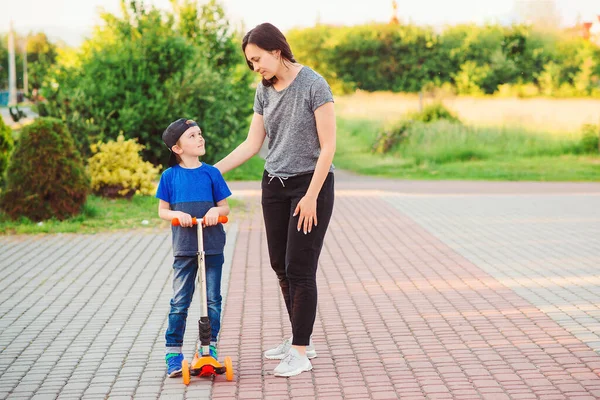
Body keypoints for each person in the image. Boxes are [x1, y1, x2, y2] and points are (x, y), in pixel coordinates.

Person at [215, 22, 336, 377]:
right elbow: (253, 144)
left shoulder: (314, 84)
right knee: (280, 266)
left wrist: (312, 196)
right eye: (250, 63)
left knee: (300, 269)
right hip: (274, 185)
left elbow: (328, 145)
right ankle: (302, 337)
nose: (256, 67)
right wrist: (210, 172)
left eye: (258, 59)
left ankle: (300, 351)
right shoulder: (264, 90)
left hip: (309, 186)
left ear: (276, 50)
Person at [156, 118, 232, 378]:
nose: (200, 138)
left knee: (212, 300)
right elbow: (162, 211)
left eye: (200, 133)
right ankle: (173, 352)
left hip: (211, 246)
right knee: (180, 301)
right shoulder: (170, 177)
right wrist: (178, 216)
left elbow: (225, 207)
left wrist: (215, 210)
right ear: (177, 148)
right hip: (185, 247)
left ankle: (208, 348)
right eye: (192, 136)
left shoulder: (212, 173)